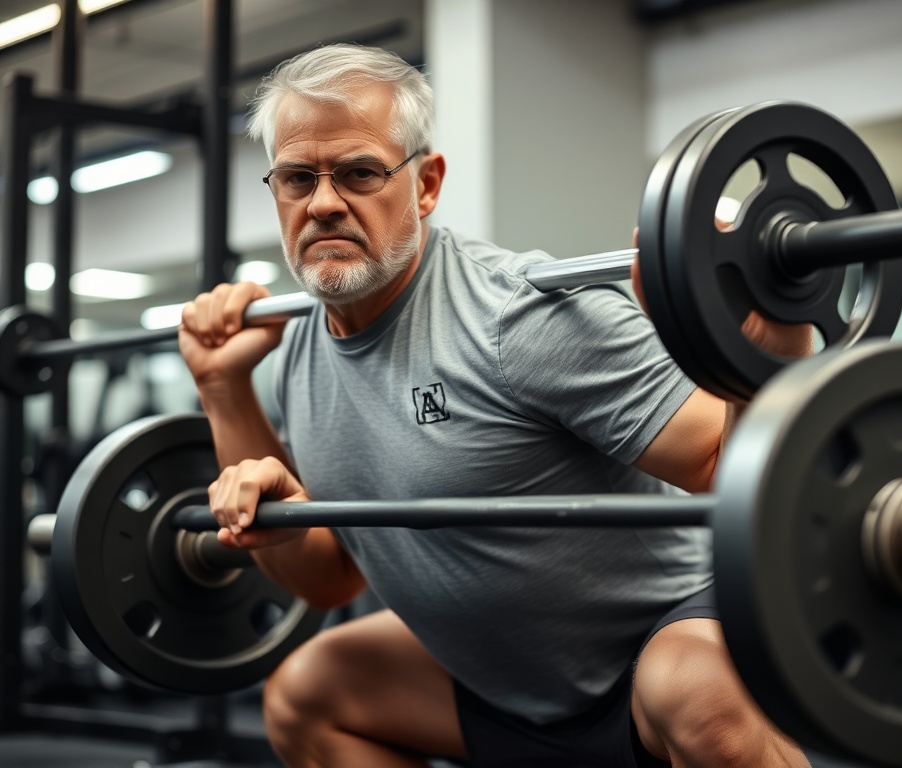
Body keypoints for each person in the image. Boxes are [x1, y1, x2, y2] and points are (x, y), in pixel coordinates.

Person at [178, 43, 812, 768]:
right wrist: (222, 388)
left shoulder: (520, 314)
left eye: (358, 172)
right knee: (309, 693)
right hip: (499, 682)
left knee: (702, 697)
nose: (322, 203)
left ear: (425, 184)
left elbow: (727, 466)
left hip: (652, 651)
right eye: (296, 178)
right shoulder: (295, 349)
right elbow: (327, 579)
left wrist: (758, 350)